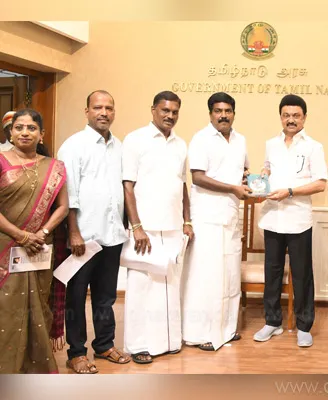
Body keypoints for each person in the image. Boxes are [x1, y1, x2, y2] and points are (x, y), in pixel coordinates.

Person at [58, 90, 132, 374]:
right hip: (84, 237)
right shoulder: (73, 145)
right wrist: (74, 232)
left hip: (112, 235)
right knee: (76, 297)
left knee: (105, 296)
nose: (104, 113)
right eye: (98, 107)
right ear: (86, 111)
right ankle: (76, 352)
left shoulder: (119, 146)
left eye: (109, 108)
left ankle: (104, 345)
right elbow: (69, 192)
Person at [122, 91, 194, 364]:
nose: (170, 116)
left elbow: (182, 184)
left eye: (175, 112)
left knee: (169, 285)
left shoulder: (180, 144)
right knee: (142, 287)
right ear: (153, 109)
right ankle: (138, 345)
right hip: (146, 228)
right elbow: (128, 185)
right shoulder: (135, 139)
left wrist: (187, 221)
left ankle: (169, 341)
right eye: (165, 110)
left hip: (173, 227)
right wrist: (136, 226)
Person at [254, 94, 327, 347]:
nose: (291, 120)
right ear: (281, 117)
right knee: (272, 272)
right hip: (272, 218)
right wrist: (263, 174)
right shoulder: (271, 144)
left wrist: (290, 192)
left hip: (298, 220)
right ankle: (272, 322)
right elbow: (267, 167)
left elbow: (320, 184)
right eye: (286, 115)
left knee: (302, 274)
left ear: (304, 118)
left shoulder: (314, 147)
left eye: (296, 115)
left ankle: (304, 326)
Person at [0, 108, 69, 373]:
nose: (25, 132)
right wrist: (21, 235)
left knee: (38, 307)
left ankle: (35, 371)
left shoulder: (54, 167)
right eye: (19, 127)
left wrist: (42, 233)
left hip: (39, 247)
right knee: (6, 308)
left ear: (41, 134)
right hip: (5, 245)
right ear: (11, 132)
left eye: (31, 128)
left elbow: (63, 207)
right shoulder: (1, 161)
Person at [181, 92, 250, 351]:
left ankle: (226, 329)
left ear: (234, 113)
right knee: (206, 277)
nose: (223, 115)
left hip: (230, 216)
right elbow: (197, 177)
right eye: (218, 111)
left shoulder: (240, 140)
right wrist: (233, 188)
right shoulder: (201, 139)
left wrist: (249, 181)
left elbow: (242, 172)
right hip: (207, 217)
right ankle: (200, 333)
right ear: (210, 114)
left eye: (228, 111)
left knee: (230, 275)